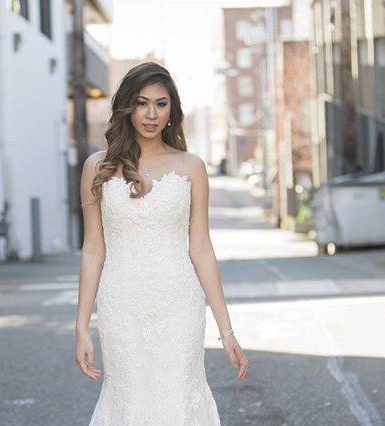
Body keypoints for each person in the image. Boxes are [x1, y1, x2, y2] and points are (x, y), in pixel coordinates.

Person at [75, 62, 248, 425]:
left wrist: (226, 330)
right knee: (131, 401)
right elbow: (93, 250)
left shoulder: (191, 167)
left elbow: (200, 247)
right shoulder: (98, 168)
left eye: (161, 103)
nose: (151, 114)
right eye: (142, 103)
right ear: (127, 107)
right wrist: (81, 327)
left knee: (177, 398)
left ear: (172, 111)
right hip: (120, 305)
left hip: (179, 304)